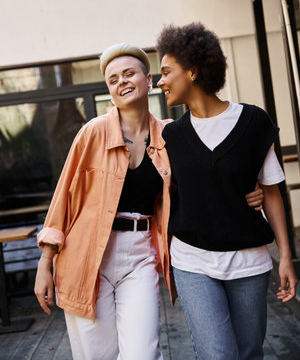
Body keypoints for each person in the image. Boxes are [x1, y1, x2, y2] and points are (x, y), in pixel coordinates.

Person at [34, 42, 263, 360]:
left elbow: (206, 179)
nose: (121, 82)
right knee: (96, 356)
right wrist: (45, 264)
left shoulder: (172, 135)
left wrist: (251, 192)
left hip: (140, 256)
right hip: (85, 256)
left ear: (148, 78)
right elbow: (63, 199)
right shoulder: (92, 133)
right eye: (113, 80)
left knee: (143, 353)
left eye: (129, 74)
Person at [156, 22, 299, 360]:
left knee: (249, 351)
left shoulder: (253, 122)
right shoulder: (170, 137)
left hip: (248, 260)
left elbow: (273, 191)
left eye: (165, 71)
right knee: (217, 354)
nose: (159, 81)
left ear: (192, 71)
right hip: (192, 260)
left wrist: (286, 258)